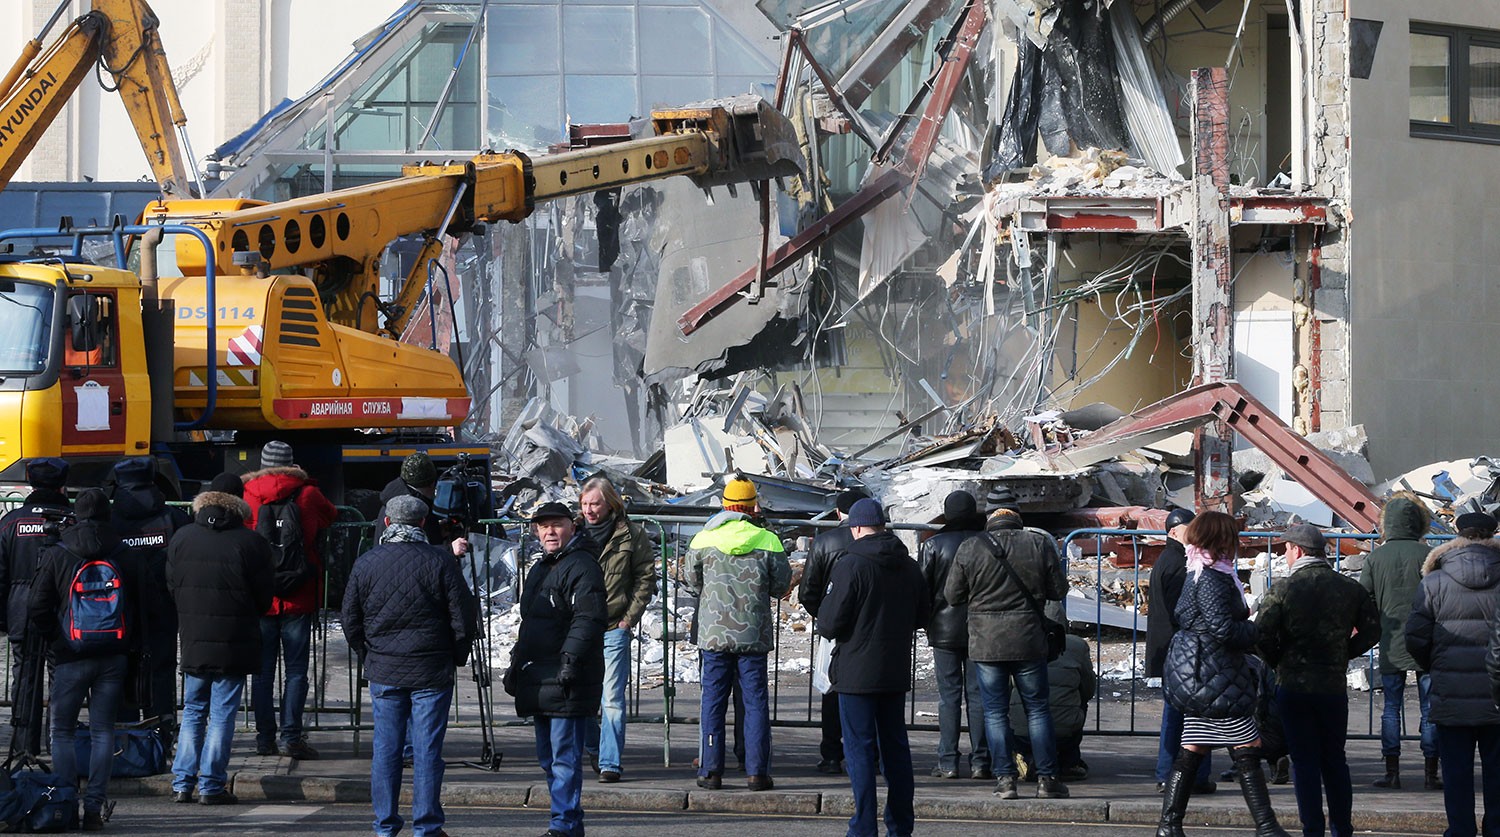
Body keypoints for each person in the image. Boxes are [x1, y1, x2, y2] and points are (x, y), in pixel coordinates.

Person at [342, 494, 475, 837]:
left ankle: (385, 825)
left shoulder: (367, 563)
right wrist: (456, 655)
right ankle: (427, 826)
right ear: (421, 524)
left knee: (386, 750)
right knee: (427, 751)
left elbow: (350, 619)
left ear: (386, 523)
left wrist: (367, 654)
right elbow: (463, 617)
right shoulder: (441, 561)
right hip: (431, 668)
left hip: (385, 668)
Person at [1157, 510, 1289, 837]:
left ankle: (1170, 826)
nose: (1237, 543)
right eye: (1232, 537)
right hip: (1216, 675)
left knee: (1195, 749)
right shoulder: (1213, 578)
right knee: (1247, 747)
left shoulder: (1201, 570)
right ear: (1221, 540)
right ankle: (1266, 827)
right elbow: (1223, 629)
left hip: (1206, 673)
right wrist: (1255, 628)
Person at [945, 486, 1070, 801]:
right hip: (1029, 639)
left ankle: (1005, 780)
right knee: (1038, 710)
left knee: (995, 711)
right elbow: (1058, 590)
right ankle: (1047, 779)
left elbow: (952, 596)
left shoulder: (971, 548)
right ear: (1017, 515)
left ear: (990, 516)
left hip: (986, 644)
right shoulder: (1038, 544)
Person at [28, 489, 142, 831]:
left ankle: (65, 802)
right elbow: (142, 602)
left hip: (70, 654)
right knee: (103, 730)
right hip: (113, 653)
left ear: (75, 515)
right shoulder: (123, 550)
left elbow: (37, 606)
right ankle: (94, 807)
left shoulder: (59, 552)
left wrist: (56, 640)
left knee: (61, 730)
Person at [1257, 523, 1380, 837]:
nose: (1284, 555)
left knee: (1304, 761)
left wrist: (1279, 662)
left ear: (1297, 550)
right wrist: (1344, 653)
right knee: (1334, 760)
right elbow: (1372, 630)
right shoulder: (1349, 588)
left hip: (1294, 686)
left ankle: (1312, 828)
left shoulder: (1284, 588)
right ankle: (1342, 827)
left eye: (1286, 549)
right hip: (1331, 685)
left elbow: (1262, 634)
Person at [818, 498, 928, 837]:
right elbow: (923, 614)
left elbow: (830, 622)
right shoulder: (908, 565)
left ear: (856, 528)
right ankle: (900, 825)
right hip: (894, 668)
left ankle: (863, 826)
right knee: (895, 749)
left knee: (860, 751)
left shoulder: (851, 564)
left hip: (855, 671)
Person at [166, 482, 275, 805]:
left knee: (193, 710)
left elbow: (171, 583)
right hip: (235, 639)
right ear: (237, 502)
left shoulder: (183, 537)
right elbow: (264, 596)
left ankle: (183, 782)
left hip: (194, 637)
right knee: (223, 712)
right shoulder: (251, 542)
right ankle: (212, 785)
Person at [506, 502, 607, 837]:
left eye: (557, 525)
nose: (550, 532)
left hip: (567, 676)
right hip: (539, 674)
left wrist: (570, 661)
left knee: (564, 758)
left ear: (572, 527)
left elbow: (588, 619)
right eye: (543, 526)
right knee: (549, 758)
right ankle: (568, 824)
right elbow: (530, 622)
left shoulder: (582, 566)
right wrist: (516, 664)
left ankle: (562, 825)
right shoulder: (541, 568)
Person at [684, 477, 790, 792]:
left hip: (714, 635)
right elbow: (781, 585)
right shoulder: (768, 540)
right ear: (752, 506)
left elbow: (692, 581)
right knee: (755, 702)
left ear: (725, 504)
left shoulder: (703, 539)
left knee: (713, 701)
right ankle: (757, 773)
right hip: (753, 635)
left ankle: (710, 771)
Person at [242, 439, 337, 760]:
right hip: (299, 594)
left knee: (263, 671)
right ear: (291, 463)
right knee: (296, 671)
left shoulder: (249, 494)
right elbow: (331, 515)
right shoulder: (308, 494)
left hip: (263, 596)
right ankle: (291, 737)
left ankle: (264, 738)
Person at [1409, 510, 1500, 837]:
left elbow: (1415, 637)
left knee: (1457, 772)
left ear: (1457, 536)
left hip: (1451, 691)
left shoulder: (1434, 582)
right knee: (1497, 773)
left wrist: (1436, 664)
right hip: (1497, 695)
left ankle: (1460, 830)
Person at [577, 476, 655, 783]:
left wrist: (628, 620)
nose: (589, 510)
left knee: (611, 698)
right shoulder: (575, 532)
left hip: (613, 626)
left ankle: (610, 762)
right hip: (579, 628)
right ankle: (595, 748)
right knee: (578, 697)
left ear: (611, 503)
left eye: (595, 503)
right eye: (584, 504)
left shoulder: (631, 534)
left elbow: (645, 578)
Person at [1360, 491, 1439, 790]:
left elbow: (1363, 597)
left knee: (1391, 708)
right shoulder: (1428, 555)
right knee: (1430, 708)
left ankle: (1392, 771)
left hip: (1390, 640)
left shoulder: (1375, 557)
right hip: (1427, 641)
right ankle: (1431, 773)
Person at [107, 457, 191, 737]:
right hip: (163, 607)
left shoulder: (108, 520)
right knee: (162, 669)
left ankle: (126, 737)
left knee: (122, 670)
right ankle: (162, 733)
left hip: (118, 609)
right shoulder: (174, 518)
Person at [917, 488, 991, 780]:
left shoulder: (933, 544)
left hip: (944, 627)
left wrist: (925, 620)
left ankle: (947, 761)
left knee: (948, 697)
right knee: (978, 696)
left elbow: (923, 586)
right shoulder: (985, 541)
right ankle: (980, 760)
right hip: (981, 627)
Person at [0, 457, 71, 755]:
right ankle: (58, 745)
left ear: (31, 483)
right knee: (61, 678)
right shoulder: (71, 519)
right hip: (62, 609)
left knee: (25, 676)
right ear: (62, 485)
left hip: (21, 608)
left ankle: (23, 747)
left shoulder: (11, 522)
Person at [799, 486, 868, 774]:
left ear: (839, 512)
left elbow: (808, 590)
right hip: (869, 627)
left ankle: (831, 753)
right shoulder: (883, 540)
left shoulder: (825, 542)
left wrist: (824, 616)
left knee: (831, 687)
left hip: (833, 628)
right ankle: (868, 753)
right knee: (868, 689)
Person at [1146, 508, 1215, 793]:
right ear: (1175, 532)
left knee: (1179, 716)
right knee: (1190, 716)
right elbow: (1182, 611)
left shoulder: (1171, 559)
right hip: (1183, 652)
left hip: (1173, 652)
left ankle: (1171, 774)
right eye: (1191, 527)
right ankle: (1186, 776)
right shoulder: (1178, 563)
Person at [1011, 630, 1094, 783]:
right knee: (1077, 703)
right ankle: (1068, 762)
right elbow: (1088, 689)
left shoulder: (1020, 638)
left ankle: (1027, 757)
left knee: (1027, 709)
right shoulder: (1076, 645)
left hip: (1021, 731)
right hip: (1063, 731)